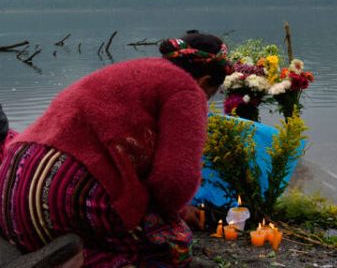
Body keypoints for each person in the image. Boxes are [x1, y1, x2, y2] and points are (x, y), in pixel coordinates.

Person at [0, 31, 228, 267]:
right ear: (205, 81)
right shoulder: (187, 90)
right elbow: (174, 182)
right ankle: (86, 260)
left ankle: (54, 251)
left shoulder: (134, 71)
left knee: (122, 219)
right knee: (173, 242)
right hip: (64, 193)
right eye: (211, 95)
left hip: (12, 192)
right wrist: (177, 212)